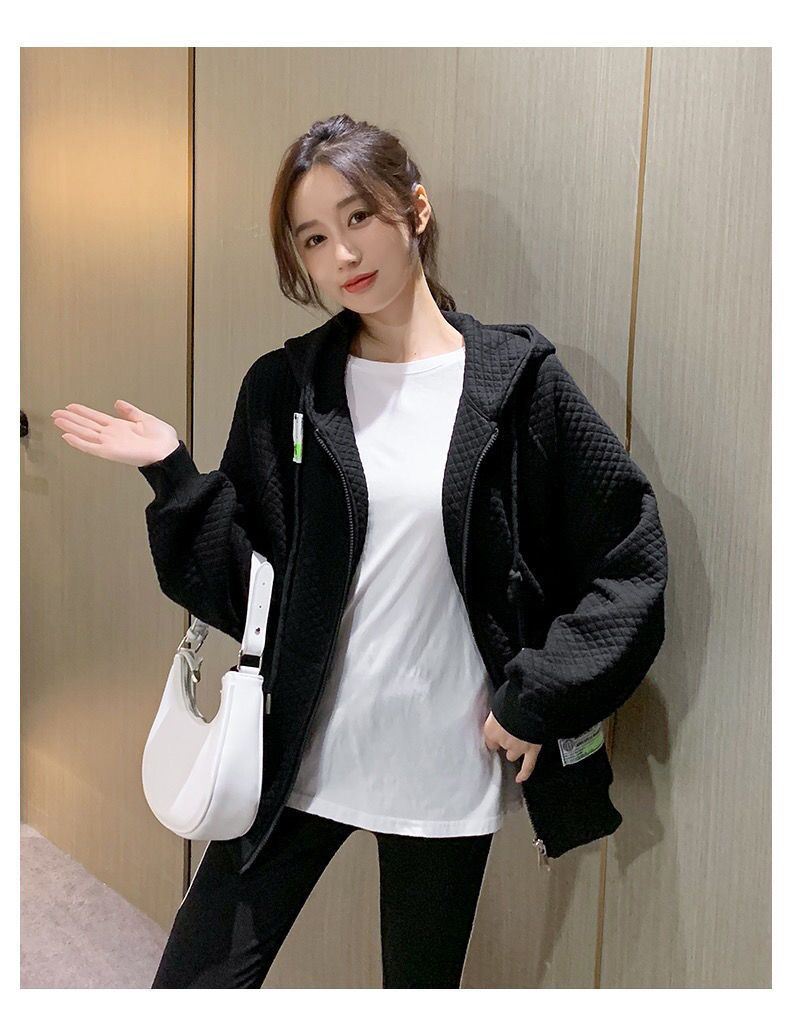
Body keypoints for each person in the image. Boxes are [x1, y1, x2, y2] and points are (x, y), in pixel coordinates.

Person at [50, 114, 668, 988]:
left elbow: (630, 556)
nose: (343, 253)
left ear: (414, 208)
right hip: (293, 753)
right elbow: (245, 589)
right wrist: (175, 472)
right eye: (313, 238)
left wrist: (540, 696)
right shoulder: (287, 388)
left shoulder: (516, 384)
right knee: (194, 980)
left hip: (441, 767)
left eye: (359, 216)